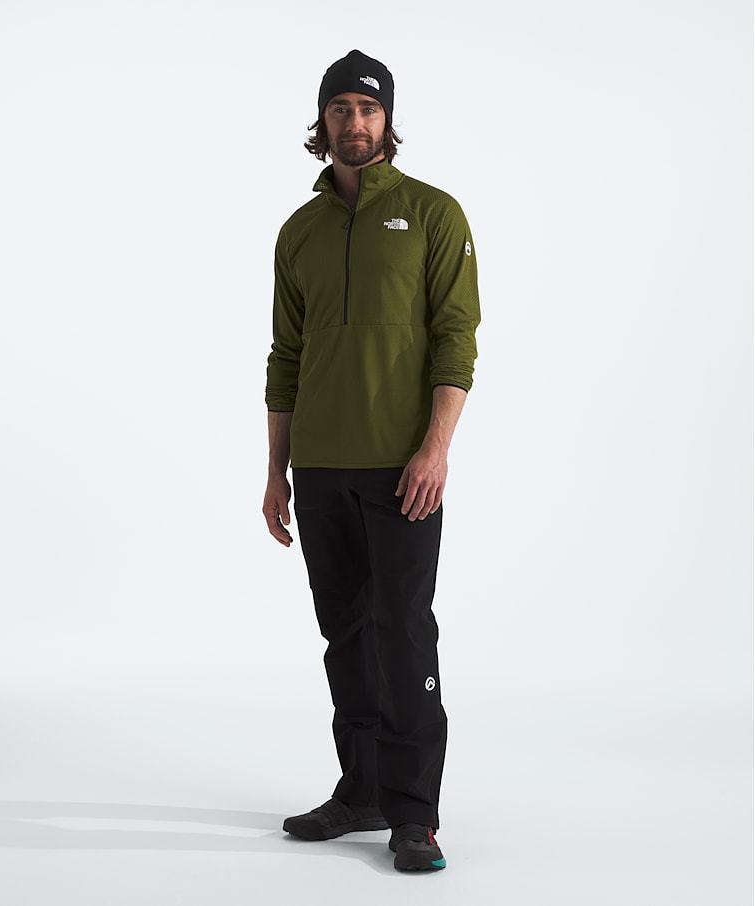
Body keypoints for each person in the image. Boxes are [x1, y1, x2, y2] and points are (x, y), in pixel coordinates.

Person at [262, 48, 481, 873]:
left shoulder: (433, 214)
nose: (354, 122)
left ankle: (414, 814)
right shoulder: (299, 231)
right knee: (345, 633)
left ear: (388, 121)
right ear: (321, 122)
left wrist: (435, 449)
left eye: (368, 108)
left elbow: (456, 340)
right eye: (340, 109)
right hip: (320, 467)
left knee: (405, 632)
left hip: (402, 468)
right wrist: (276, 470)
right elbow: (285, 357)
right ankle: (361, 791)